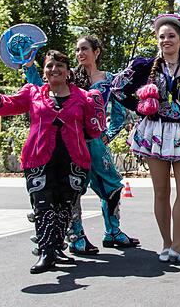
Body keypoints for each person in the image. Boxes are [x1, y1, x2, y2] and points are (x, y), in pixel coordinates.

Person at [112, 14, 180, 265]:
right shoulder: (144, 67)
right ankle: (166, 244)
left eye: (171, 36)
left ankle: (179, 246)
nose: (166, 40)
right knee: (161, 191)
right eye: (161, 37)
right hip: (155, 132)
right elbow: (118, 88)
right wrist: (140, 109)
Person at [0, 50, 105, 273]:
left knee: (64, 208)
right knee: (43, 206)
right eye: (49, 65)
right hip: (38, 159)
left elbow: (93, 130)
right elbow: (3, 105)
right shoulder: (33, 93)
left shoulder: (84, 98)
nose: (54, 69)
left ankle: (56, 249)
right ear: (44, 71)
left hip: (73, 160)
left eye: (60, 65)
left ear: (68, 72)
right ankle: (46, 253)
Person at [24, 35, 139, 255]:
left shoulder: (110, 79)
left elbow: (119, 114)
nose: (80, 54)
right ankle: (76, 236)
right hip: (71, 141)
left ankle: (113, 232)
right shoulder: (69, 77)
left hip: (96, 143)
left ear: (97, 52)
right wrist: (29, 67)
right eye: (77, 50)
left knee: (113, 186)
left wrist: (108, 136)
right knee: (71, 189)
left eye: (84, 49)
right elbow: (41, 88)